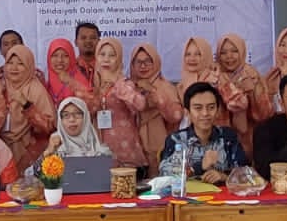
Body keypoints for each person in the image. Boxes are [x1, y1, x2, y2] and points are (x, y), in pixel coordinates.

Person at [159, 82, 249, 184]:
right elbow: (164, 174)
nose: (205, 113)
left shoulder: (227, 137)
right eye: (198, 108)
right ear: (187, 112)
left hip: (221, 193)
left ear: (217, 111)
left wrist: (224, 177)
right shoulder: (177, 139)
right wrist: (198, 167)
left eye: (211, 107)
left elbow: (245, 173)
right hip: (187, 194)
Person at [92, 37, 147, 168]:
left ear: (119, 59)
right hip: (98, 145)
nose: (106, 59)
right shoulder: (93, 84)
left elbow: (140, 104)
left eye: (112, 55)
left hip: (124, 146)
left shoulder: (125, 83)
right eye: (102, 54)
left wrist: (117, 83)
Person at [0, 44, 56, 171]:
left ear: (29, 66)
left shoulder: (36, 89)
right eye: (10, 63)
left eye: (20, 64)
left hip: (29, 149)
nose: (14, 68)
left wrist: (27, 105)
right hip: (0, 148)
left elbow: (49, 126)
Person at [215, 33, 273, 156]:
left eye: (234, 51)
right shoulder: (214, 75)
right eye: (223, 52)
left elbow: (265, 113)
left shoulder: (252, 75)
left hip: (248, 138)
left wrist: (251, 94)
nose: (229, 56)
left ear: (242, 52)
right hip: (219, 138)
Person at [129, 43, 184, 169]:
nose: (143, 66)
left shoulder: (165, 87)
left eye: (148, 61)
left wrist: (154, 93)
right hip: (133, 148)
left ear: (156, 62)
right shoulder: (128, 87)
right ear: (132, 65)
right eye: (138, 62)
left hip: (160, 146)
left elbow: (176, 116)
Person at [45, 97, 112, 158]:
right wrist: (48, 152)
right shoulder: (55, 147)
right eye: (66, 115)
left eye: (77, 114)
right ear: (60, 120)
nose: (72, 119)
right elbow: (41, 167)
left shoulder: (100, 150)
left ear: (86, 118)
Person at [44, 38, 96, 108]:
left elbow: (92, 105)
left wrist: (71, 83)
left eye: (65, 56)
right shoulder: (45, 81)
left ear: (71, 58)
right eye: (55, 55)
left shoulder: (79, 80)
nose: (60, 60)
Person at [176, 37, 222, 103]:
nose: (192, 58)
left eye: (198, 54)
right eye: (188, 54)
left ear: (206, 56)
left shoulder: (216, 80)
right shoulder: (182, 84)